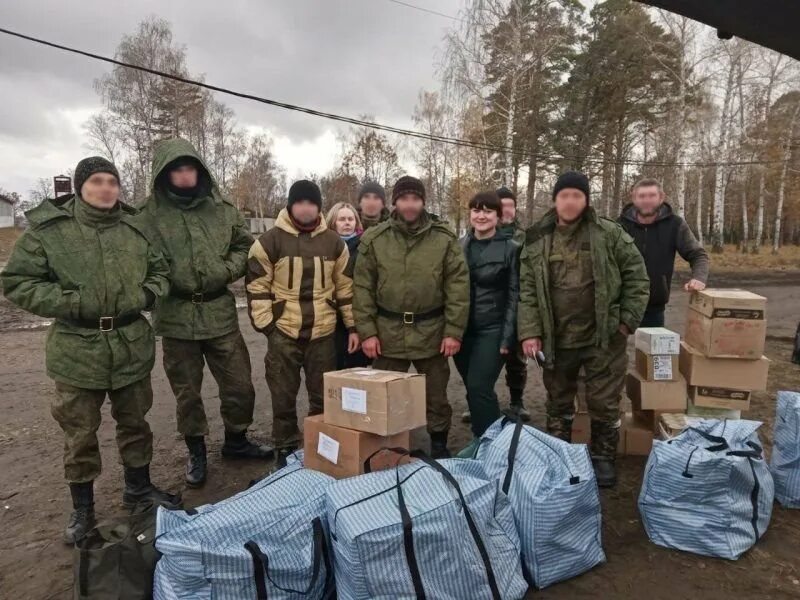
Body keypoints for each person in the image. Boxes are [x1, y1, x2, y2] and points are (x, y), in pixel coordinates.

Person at [1, 157, 180, 544]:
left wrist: (146, 293)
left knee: (136, 423)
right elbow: (17, 281)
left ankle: (139, 489)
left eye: (111, 182)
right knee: (80, 432)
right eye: (97, 181)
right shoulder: (51, 232)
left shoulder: (135, 229)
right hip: (77, 349)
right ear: (81, 187)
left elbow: (161, 272)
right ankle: (83, 509)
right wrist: (71, 301)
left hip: (130, 343)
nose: (106, 188)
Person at [143, 138, 271, 490]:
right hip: (176, 314)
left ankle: (236, 439)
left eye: (190, 168)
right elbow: (138, 258)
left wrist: (226, 270)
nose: (185, 175)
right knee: (188, 393)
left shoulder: (222, 209)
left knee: (240, 383)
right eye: (177, 169)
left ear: (199, 170)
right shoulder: (148, 215)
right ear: (166, 174)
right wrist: (164, 279)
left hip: (218, 311)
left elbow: (245, 245)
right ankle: (196, 450)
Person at [518, 171, 649, 487]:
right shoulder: (537, 238)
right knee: (558, 400)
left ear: (586, 200)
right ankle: (559, 454)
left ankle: (603, 458)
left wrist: (625, 321)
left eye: (577, 195)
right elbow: (527, 291)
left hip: (602, 337)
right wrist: (530, 332)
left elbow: (637, 278)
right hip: (556, 337)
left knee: (604, 401)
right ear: (555, 200)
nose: (570, 201)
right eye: (564, 195)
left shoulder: (609, 234)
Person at [353, 175, 469, 458]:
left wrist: (453, 331)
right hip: (388, 333)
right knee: (386, 396)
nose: (409, 204)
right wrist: (367, 332)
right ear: (395, 202)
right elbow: (362, 288)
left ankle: (439, 445)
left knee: (436, 395)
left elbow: (458, 285)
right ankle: (385, 448)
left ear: (423, 202)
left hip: (432, 330)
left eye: (415, 199)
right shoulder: (375, 239)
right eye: (404, 198)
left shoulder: (443, 239)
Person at [247, 180, 358, 467]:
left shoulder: (333, 242)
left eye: (311, 202)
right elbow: (257, 286)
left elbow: (345, 288)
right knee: (282, 396)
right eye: (301, 202)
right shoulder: (269, 241)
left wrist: (353, 326)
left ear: (319, 207)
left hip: (323, 332)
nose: (306, 208)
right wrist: (268, 326)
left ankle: (321, 445)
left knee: (322, 397)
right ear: (291, 205)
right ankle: (284, 449)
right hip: (283, 332)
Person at [454, 191, 520, 457]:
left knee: (480, 386)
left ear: (498, 216)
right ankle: (485, 439)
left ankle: (490, 444)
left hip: (492, 329)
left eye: (488, 211)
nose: (481, 216)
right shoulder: (459, 246)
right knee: (472, 387)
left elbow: (516, 295)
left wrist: (508, 337)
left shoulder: (511, 249)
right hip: (462, 331)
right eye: (476, 210)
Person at [619, 178, 709, 327]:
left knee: (653, 350)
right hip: (620, 305)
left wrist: (699, 278)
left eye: (652, 195)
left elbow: (698, 254)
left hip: (654, 308)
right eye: (642, 196)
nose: (647, 200)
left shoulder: (675, 225)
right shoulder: (619, 226)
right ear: (633, 198)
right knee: (616, 350)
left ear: (661, 197)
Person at [327, 201, 370, 369]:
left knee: (356, 368)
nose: (347, 223)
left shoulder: (365, 246)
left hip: (357, 314)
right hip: (331, 317)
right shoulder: (324, 246)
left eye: (350, 219)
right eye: (342, 219)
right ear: (332, 222)